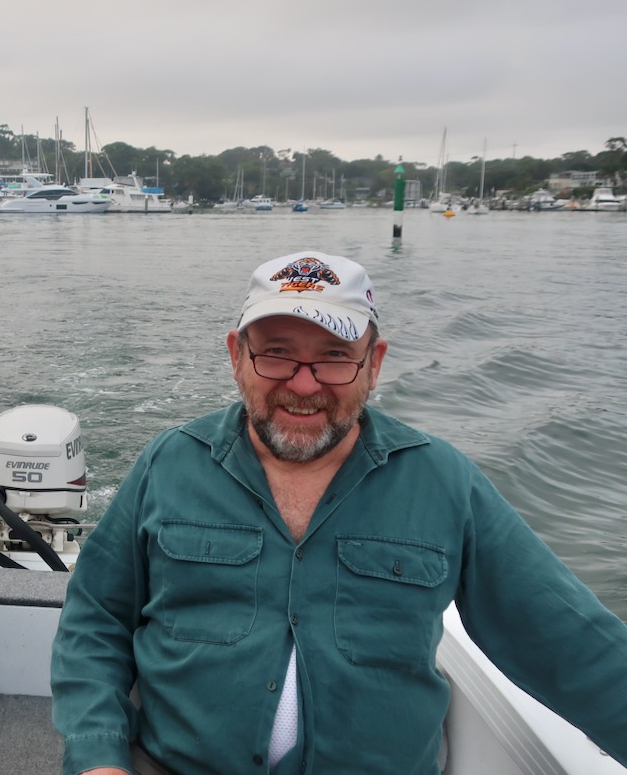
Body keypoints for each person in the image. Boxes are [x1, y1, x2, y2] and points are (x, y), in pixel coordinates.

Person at [51, 250, 627, 774]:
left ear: (374, 364)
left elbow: (571, 643)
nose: (304, 385)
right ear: (236, 356)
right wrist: (99, 757)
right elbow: (97, 618)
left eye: (334, 358)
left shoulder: (445, 481)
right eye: (276, 354)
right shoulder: (169, 463)